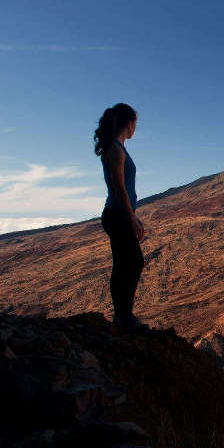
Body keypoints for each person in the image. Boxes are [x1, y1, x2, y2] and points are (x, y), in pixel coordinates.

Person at [94, 103, 148, 332]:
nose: (136, 127)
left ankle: (122, 316)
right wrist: (131, 217)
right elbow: (118, 186)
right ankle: (124, 317)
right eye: (135, 122)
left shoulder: (116, 148)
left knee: (125, 263)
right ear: (128, 123)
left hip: (117, 213)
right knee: (133, 262)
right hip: (118, 214)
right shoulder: (116, 149)